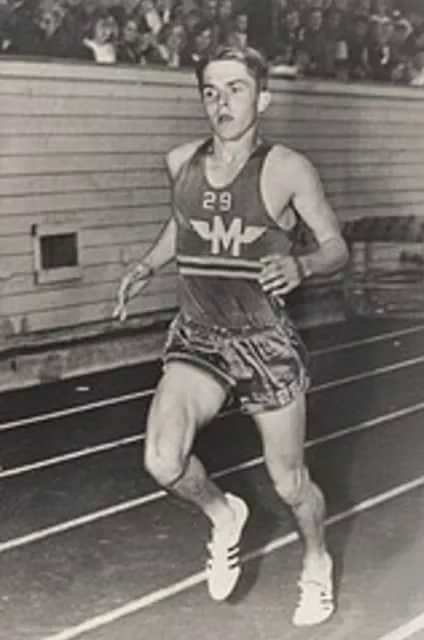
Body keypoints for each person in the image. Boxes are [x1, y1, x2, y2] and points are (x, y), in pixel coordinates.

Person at [113, 45, 348, 626]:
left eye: (236, 89)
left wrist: (302, 266)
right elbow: (184, 221)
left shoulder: (287, 169)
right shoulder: (180, 162)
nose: (221, 102)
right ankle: (224, 514)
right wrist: (147, 265)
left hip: (264, 343)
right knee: (162, 460)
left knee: (290, 483)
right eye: (210, 91)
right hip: (199, 339)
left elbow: (336, 247)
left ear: (262, 98)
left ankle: (316, 562)